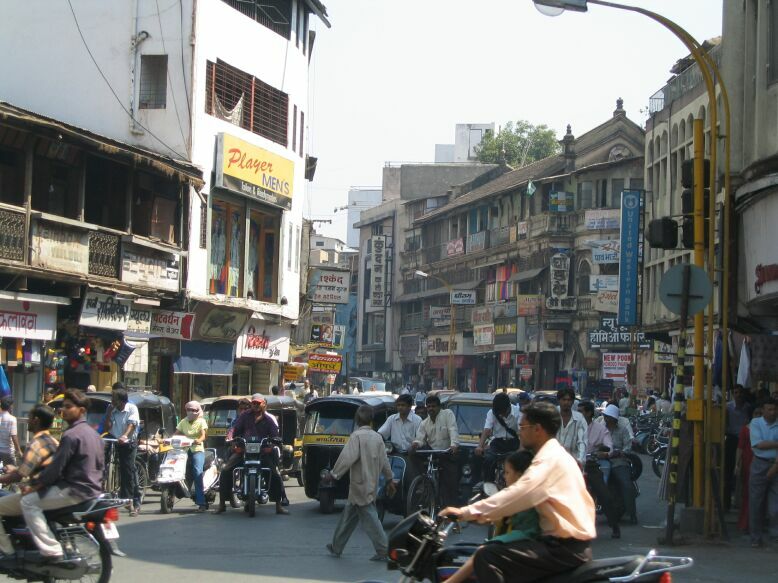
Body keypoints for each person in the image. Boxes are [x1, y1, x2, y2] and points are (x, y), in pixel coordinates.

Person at [441, 402, 595, 582]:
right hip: (560, 545)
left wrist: (465, 512)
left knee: (487, 556)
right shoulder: (553, 456)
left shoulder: (548, 461)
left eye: (522, 427)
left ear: (537, 429)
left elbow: (517, 494)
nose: (519, 432)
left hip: (562, 548)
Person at [21, 390, 104, 560]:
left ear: (81, 411)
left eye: (68, 407)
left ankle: (52, 549)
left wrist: (35, 486)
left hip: (74, 490)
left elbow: (55, 469)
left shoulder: (71, 435)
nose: (63, 410)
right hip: (93, 490)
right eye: (63, 407)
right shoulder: (95, 435)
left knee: (28, 502)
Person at [445, 451, 540, 583]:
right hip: (523, 539)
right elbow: (495, 516)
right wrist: (469, 518)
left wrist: (462, 513)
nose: (504, 477)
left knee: (483, 552)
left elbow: (493, 507)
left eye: (507, 473)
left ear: (519, 476)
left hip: (526, 538)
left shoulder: (520, 493)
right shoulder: (524, 492)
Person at [325, 405, 396, 561]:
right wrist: (390, 478)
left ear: (357, 419)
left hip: (359, 484)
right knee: (349, 516)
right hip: (371, 482)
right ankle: (336, 546)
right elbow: (385, 461)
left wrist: (333, 474)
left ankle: (384, 549)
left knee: (370, 518)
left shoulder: (356, 436)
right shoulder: (377, 437)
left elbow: (346, 458)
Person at [0, 404, 59, 556]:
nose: (27, 421)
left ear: (36, 420)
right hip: (50, 491)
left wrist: (3, 477)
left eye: (30, 418)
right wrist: (15, 469)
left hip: (37, 493)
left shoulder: (36, 443)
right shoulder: (53, 441)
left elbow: (18, 476)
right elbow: (30, 469)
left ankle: (6, 551)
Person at [216, 393, 288, 515]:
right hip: (244, 451)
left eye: (258, 403)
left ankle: (278, 505)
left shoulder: (269, 419)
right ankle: (222, 504)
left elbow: (275, 436)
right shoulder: (244, 416)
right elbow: (236, 432)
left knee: (275, 474)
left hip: (262, 453)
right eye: (254, 403)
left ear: (263, 404)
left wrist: (271, 446)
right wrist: (235, 444)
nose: (255, 405)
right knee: (225, 471)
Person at [578, 401, 620, 538]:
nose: (579, 414)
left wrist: (605, 453)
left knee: (605, 495)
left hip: (590, 465)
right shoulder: (572, 426)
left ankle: (614, 525)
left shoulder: (600, 429)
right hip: (573, 465)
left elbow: (609, 445)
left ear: (589, 413)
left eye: (582, 411)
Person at [411, 395, 459, 508]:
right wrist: (416, 443)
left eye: (433, 406)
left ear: (439, 407)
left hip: (447, 452)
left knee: (450, 482)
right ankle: (422, 480)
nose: (431, 409)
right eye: (428, 407)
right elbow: (420, 438)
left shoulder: (447, 414)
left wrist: (454, 445)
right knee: (412, 452)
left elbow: (453, 429)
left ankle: (450, 510)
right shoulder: (425, 423)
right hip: (433, 452)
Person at [103, 384, 141, 516]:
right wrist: (108, 413)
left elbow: (132, 425)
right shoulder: (111, 408)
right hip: (114, 438)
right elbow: (107, 428)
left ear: (122, 401)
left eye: (114, 399)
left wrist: (125, 436)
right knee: (100, 458)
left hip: (128, 442)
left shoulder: (132, 408)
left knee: (127, 470)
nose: (112, 402)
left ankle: (133, 502)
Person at [748, 396, 778, 547]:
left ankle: (774, 536)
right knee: (756, 503)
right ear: (763, 410)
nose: (772, 412)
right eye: (769, 409)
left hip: (776, 464)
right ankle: (755, 537)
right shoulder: (756, 423)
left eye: (774, 409)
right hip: (759, 464)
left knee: (775, 506)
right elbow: (759, 444)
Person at [602, 404, 637, 525]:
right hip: (602, 459)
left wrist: (620, 452)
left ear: (615, 419)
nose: (606, 419)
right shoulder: (601, 428)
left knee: (626, 484)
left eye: (609, 417)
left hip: (619, 460)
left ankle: (632, 513)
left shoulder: (623, 430)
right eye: (606, 416)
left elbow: (628, 446)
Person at [476, 392, 519, 482]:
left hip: (514, 444)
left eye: (502, 413)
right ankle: (488, 485)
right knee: (488, 460)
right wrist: (480, 446)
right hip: (498, 443)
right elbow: (487, 430)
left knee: (518, 464)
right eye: (498, 413)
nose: (500, 415)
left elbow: (522, 434)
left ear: (508, 407)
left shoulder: (519, 413)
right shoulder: (492, 413)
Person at [175, 401, 208, 512]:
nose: (191, 412)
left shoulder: (201, 421)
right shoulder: (183, 421)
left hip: (197, 450)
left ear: (198, 411)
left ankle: (201, 502)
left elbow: (203, 435)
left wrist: (198, 440)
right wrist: (168, 440)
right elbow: (176, 434)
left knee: (197, 472)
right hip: (183, 451)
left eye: (194, 410)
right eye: (189, 410)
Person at [725, 385, 753, 511]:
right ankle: (726, 503)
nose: (738, 395)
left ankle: (742, 503)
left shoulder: (748, 408)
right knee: (729, 470)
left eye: (740, 392)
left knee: (745, 470)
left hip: (746, 441)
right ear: (733, 394)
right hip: (732, 440)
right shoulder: (728, 407)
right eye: (736, 392)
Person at [736, 406, 762, 532]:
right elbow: (740, 448)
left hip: (763, 464)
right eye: (756, 413)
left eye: (760, 413)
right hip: (748, 465)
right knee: (748, 494)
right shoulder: (746, 430)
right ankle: (745, 523)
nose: (758, 416)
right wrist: (737, 464)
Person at [556, 388, 587, 465]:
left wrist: (580, 461)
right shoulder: (552, 416)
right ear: (559, 400)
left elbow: (582, 442)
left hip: (573, 463)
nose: (566, 402)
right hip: (554, 461)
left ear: (573, 402)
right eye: (563, 399)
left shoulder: (579, 419)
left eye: (569, 400)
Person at [0, 397, 22, 467]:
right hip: (7, 451)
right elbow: (14, 436)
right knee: (11, 473)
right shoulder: (12, 419)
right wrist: (18, 450)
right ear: (10, 406)